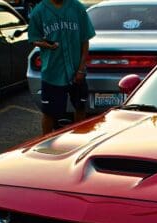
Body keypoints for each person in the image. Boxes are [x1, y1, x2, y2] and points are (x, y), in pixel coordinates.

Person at [28, 0, 96, 134]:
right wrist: (45, 44)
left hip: (77, 71)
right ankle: (46, 143)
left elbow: (85, 40)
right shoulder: (39, 11)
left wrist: (81, 69)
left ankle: (79, 139)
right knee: (49, 114)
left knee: (80, 107)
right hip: (52, 73)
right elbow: (33, 38)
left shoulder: (76, 7)